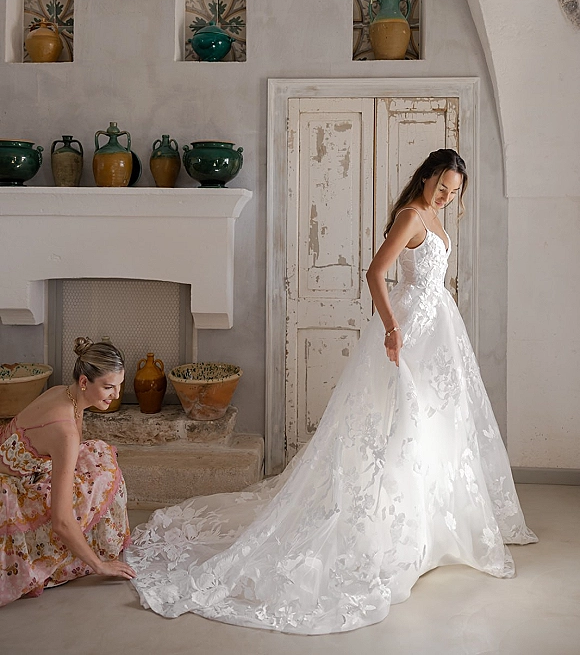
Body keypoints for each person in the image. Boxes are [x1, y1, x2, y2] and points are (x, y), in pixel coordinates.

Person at [127, 149, 537, 634]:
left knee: (433, 426)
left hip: (437, 334)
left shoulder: (432, 216)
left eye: (455, 193)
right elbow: (375, 273)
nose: (447, 198)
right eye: (442, 188)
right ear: (426, 178)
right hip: (407, 330)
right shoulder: (410, 216)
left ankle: (429, 528)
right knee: (398, 424)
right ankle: (393, 532)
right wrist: (391, 328)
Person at [0, 337, 135, 606]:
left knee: (99, 455)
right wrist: (100, 566)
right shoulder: (65, 432)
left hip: (28, 469)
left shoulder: (65, 392)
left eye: (119, 387)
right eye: (108, 387)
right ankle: (82, 553)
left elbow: (74, 444)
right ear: (85, 382)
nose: (116, 396)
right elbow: (61, 520)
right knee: (103, 476)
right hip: (10, 493)